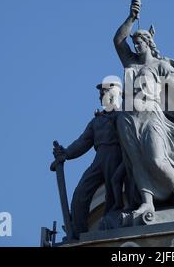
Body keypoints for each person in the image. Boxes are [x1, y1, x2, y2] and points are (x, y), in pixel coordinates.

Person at [113, 0, 174, 214]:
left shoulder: (160, 66)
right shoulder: (129, 62)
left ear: (148, 43)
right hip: (126, 118)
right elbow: (118, 40)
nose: (136, 46)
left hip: (150, 116)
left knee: (156, 158)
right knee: (137, 162)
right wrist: (131, 18)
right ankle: (148, 201)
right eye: (134, 42)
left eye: (140, 42)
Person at [51, 81, 123, 239]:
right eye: (101, 94)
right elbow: (83, 142)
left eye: (105, 93)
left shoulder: (124, 116)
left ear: (115, 95)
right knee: (80, 193)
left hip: (116, 155)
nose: (102, 96)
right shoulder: (96, 120)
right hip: (100, 158)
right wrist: (65, 153)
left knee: (112, 195)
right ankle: (78, 232)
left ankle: (110, 228)